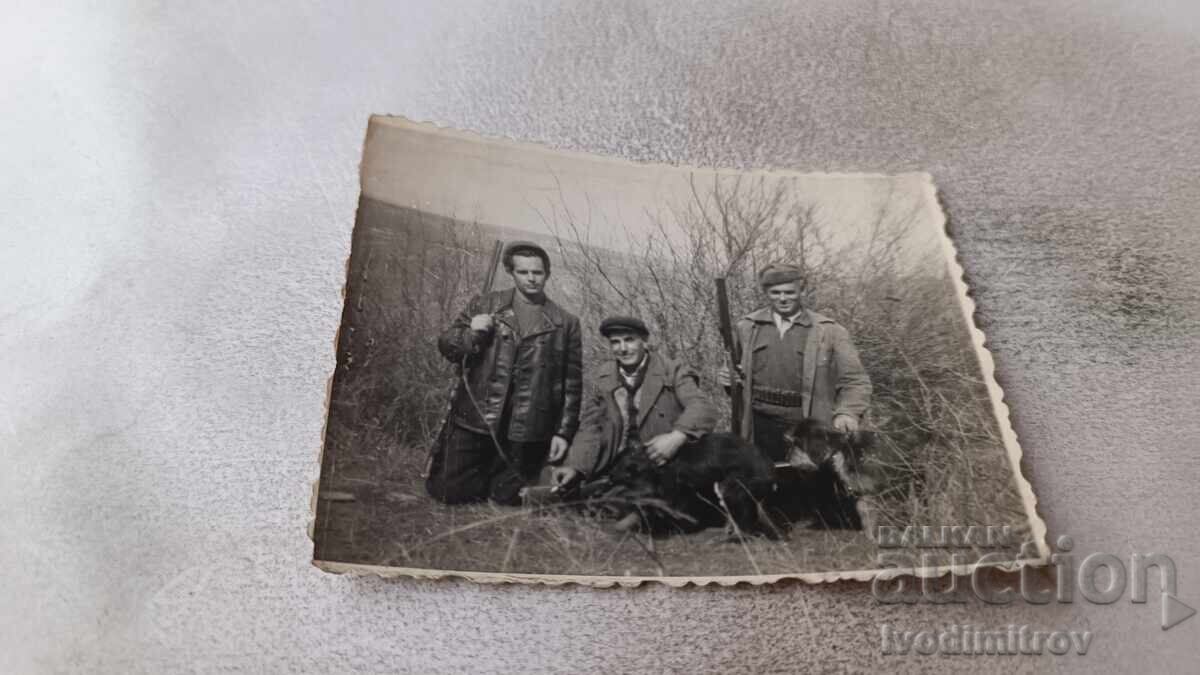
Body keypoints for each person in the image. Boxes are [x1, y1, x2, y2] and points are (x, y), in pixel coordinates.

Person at [425, 241, 582, 506]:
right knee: (447, 492)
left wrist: (563, 434)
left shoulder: (565, 323)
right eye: (524, 272)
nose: (531, 278)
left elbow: (572, 384)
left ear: (547, 273)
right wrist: (471, 333)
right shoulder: (486, 304)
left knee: (506, 498)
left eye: (538, 272)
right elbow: (447, 345)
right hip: (477, 418)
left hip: (527, 429)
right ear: (512, 272)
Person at [718, 264, 872, 465]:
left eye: (789, 292)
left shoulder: (830, 331)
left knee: (807, 488)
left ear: (802, 291)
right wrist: (728, 380)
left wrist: (847, 412)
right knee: (763, 485)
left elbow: (856, 380)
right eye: (775, 292)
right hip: (759, 424)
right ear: (766, 292)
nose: (782, 298)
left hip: (807, 427)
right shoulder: (747, 327)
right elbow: (737, 378)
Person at [551, 316, 717, 492]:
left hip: (664, 462)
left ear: (644, 341)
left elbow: (702, 407)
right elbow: (591, 427)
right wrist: (576, 465)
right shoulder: (603, 377)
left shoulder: (672, 370)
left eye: (629, 340)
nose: (623, 348)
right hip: (619, 465)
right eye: (616, 342)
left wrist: (676, 437)